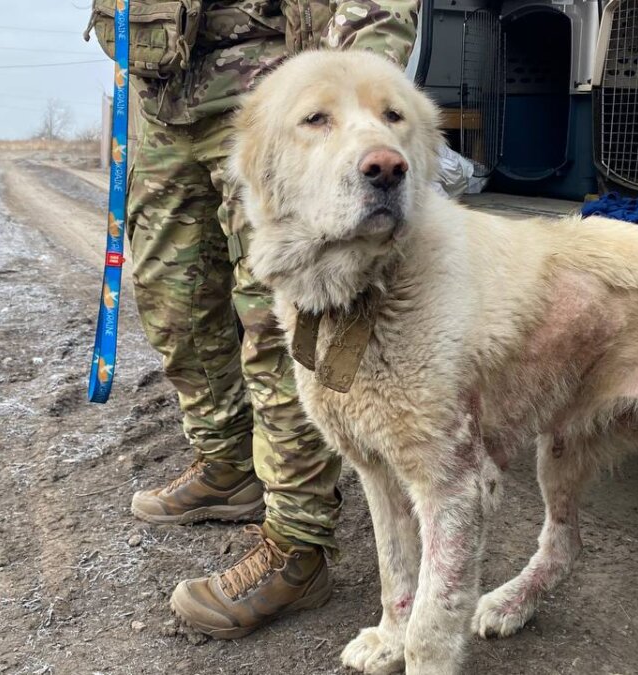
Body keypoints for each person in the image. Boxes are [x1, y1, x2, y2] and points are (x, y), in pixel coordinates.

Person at [84, 0, 420, 638]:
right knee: (171, 300)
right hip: (163, 102)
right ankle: (226, 465)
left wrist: (358, 108)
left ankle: (298, 544)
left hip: (275, 95)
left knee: (277, 326)